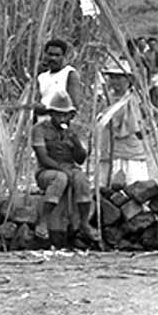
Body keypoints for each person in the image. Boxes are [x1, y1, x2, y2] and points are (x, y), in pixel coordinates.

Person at [32, 92, 101, 244]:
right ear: (51, 114)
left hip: (70, 167)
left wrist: (76, 143)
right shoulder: (39, 129)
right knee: (60, 178)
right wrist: (62, 170)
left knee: (81, 179)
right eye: (58, 115)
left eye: (65, 115)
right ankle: (43, 221)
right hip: (47, 171)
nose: (62, 119)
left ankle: (84, 222)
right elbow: (43, 157)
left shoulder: (72, 131)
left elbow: (80, 159)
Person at [101, 60, 149, 186]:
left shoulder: (134, 99)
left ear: (128, 80)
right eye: (112, 78)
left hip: (131, 152)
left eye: (119, 78)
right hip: (109, 151)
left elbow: (149, 118)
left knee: (134, 187)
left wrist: (145, 128)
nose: (115, 81)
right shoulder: (105, 99)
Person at [35, 38, 82, 115]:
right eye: (50, 54)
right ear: (45, 55)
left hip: (60, 121)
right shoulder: (42, 77)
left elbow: (74, 105)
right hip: (42, 122)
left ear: (63, 56)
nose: (53, 58)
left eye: (57, 55)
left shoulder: (69, 73)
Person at [142, 37, 158, 107]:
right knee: (150, 95)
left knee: (157, 94)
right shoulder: (145, 54)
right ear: (148, 45)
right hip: (149, 76)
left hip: (157, 75)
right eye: (151, 44)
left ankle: (156, 109)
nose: (153, 46)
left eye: (154, 44)